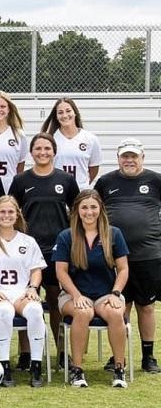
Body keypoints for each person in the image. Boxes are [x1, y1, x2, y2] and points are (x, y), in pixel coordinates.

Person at [9, 133, 79, 368]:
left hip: (57, 250)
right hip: (27, 250)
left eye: (47, 148)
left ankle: (61, 351)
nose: (42, 152)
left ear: (54, 151)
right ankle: (26, 353)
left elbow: (77, 212)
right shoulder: (21, 180)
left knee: (53, 298)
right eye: (38, 149)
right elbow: (11, 211)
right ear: (31, 153)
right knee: (26, 297)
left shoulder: (66, 180)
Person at [94, 138, 161, 373]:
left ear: (142, 157)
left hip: (148, 254)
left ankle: (148, 357)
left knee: (146, 306)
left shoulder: (155, 180)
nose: (129, 160)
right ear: (118, 158)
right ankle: (118, 356)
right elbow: (93, 211)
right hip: (115, 257)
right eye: (125, 156)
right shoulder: (106, 182)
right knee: (120, 306)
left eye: (134, 156)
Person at [53, 190, 129, 388]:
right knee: (83, 311)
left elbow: (123, 269)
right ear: (77, 210)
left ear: (100, 209)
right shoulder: (66, 236)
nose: (89, 212)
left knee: (114, 312)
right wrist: (76, 295)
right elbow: (61, 272)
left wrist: (115, 293)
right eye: (84, 207)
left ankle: (119, 368)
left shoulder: (114, 233)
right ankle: (77, 370)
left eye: (93, 207)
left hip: (106, 293)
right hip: (73, 294)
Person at [0, 196, 46, 387]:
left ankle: (36, 366)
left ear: (17, 214)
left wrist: (32, 287)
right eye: (2, 212)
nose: (6, 215)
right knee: (5, 310)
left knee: (36, 311)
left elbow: (36, 270)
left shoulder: (27, 241)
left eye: (10, 211)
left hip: (21, 292)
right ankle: (4, 365)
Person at [40, 97, 102, 191]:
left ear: (75, 113)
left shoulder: (90, 139)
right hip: (56, 191)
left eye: (68, 111)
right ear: (56, 116)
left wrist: (82, 184)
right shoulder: (50, 139)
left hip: (81, 193)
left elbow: (94, 168)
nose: (65, 115)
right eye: (60, 112)